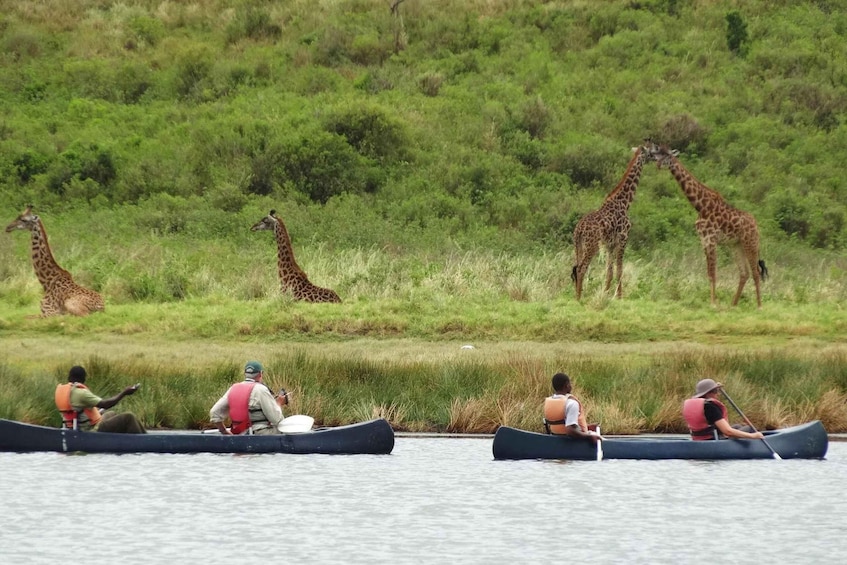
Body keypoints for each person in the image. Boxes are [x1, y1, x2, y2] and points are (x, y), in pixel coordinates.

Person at [55, 365, 146, 433]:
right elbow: (106, 404)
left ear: (69, 377)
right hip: (91, 430)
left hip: (76, 426)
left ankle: (131, 438)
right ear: (83, 379)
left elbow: (78, 410)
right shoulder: (81, 393)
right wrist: (124, 393)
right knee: (128, 417)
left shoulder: (62, 392)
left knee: (111, 414)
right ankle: (144, 440)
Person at [210, 361, 290, 435]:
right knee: (285, 429)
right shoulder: (261, 390)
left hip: (238, 434)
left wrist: (224, 432)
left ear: (245, 374)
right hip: (260, 434)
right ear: (260, 374)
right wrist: (279, 403)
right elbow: (277, 420)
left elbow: (214, 412)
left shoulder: (233, 388)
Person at [682, 378, 764, 441]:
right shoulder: (711, 407)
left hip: (698, 439)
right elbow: (727, 431)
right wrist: (753, 436)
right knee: (749, 428)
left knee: (738, 426)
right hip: (714, 439)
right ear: (708, 393)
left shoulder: (697, 404)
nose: (717, 394)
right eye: (715, 391)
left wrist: (715, 386)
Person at [543, 372, 603, 443]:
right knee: (600, 439)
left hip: (556, 439)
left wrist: (587, 427)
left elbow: (561, 424)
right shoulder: (571, 403)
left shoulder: (550, 401)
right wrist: (589, 436)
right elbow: (570, 431)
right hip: (571, 442)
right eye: (570, 384)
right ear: (566, 385)